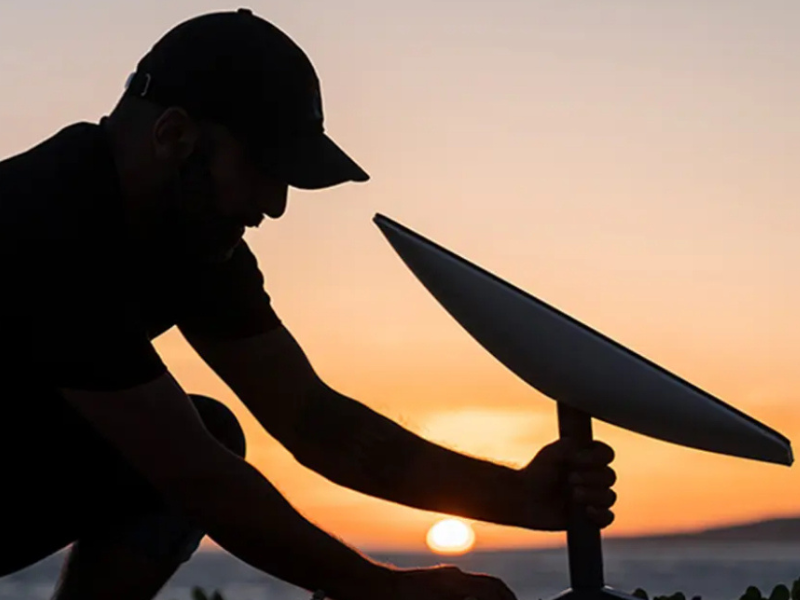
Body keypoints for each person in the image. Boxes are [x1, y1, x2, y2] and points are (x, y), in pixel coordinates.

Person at [0, 8, 617, 600]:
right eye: (267, 169)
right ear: (175, 134)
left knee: (211, 429)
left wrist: (514, 496)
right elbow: (192, 475)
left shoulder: (196, 238)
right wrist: (379, 588)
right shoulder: (47, 220)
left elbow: (314, 421)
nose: (276, 204)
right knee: (189, 455)